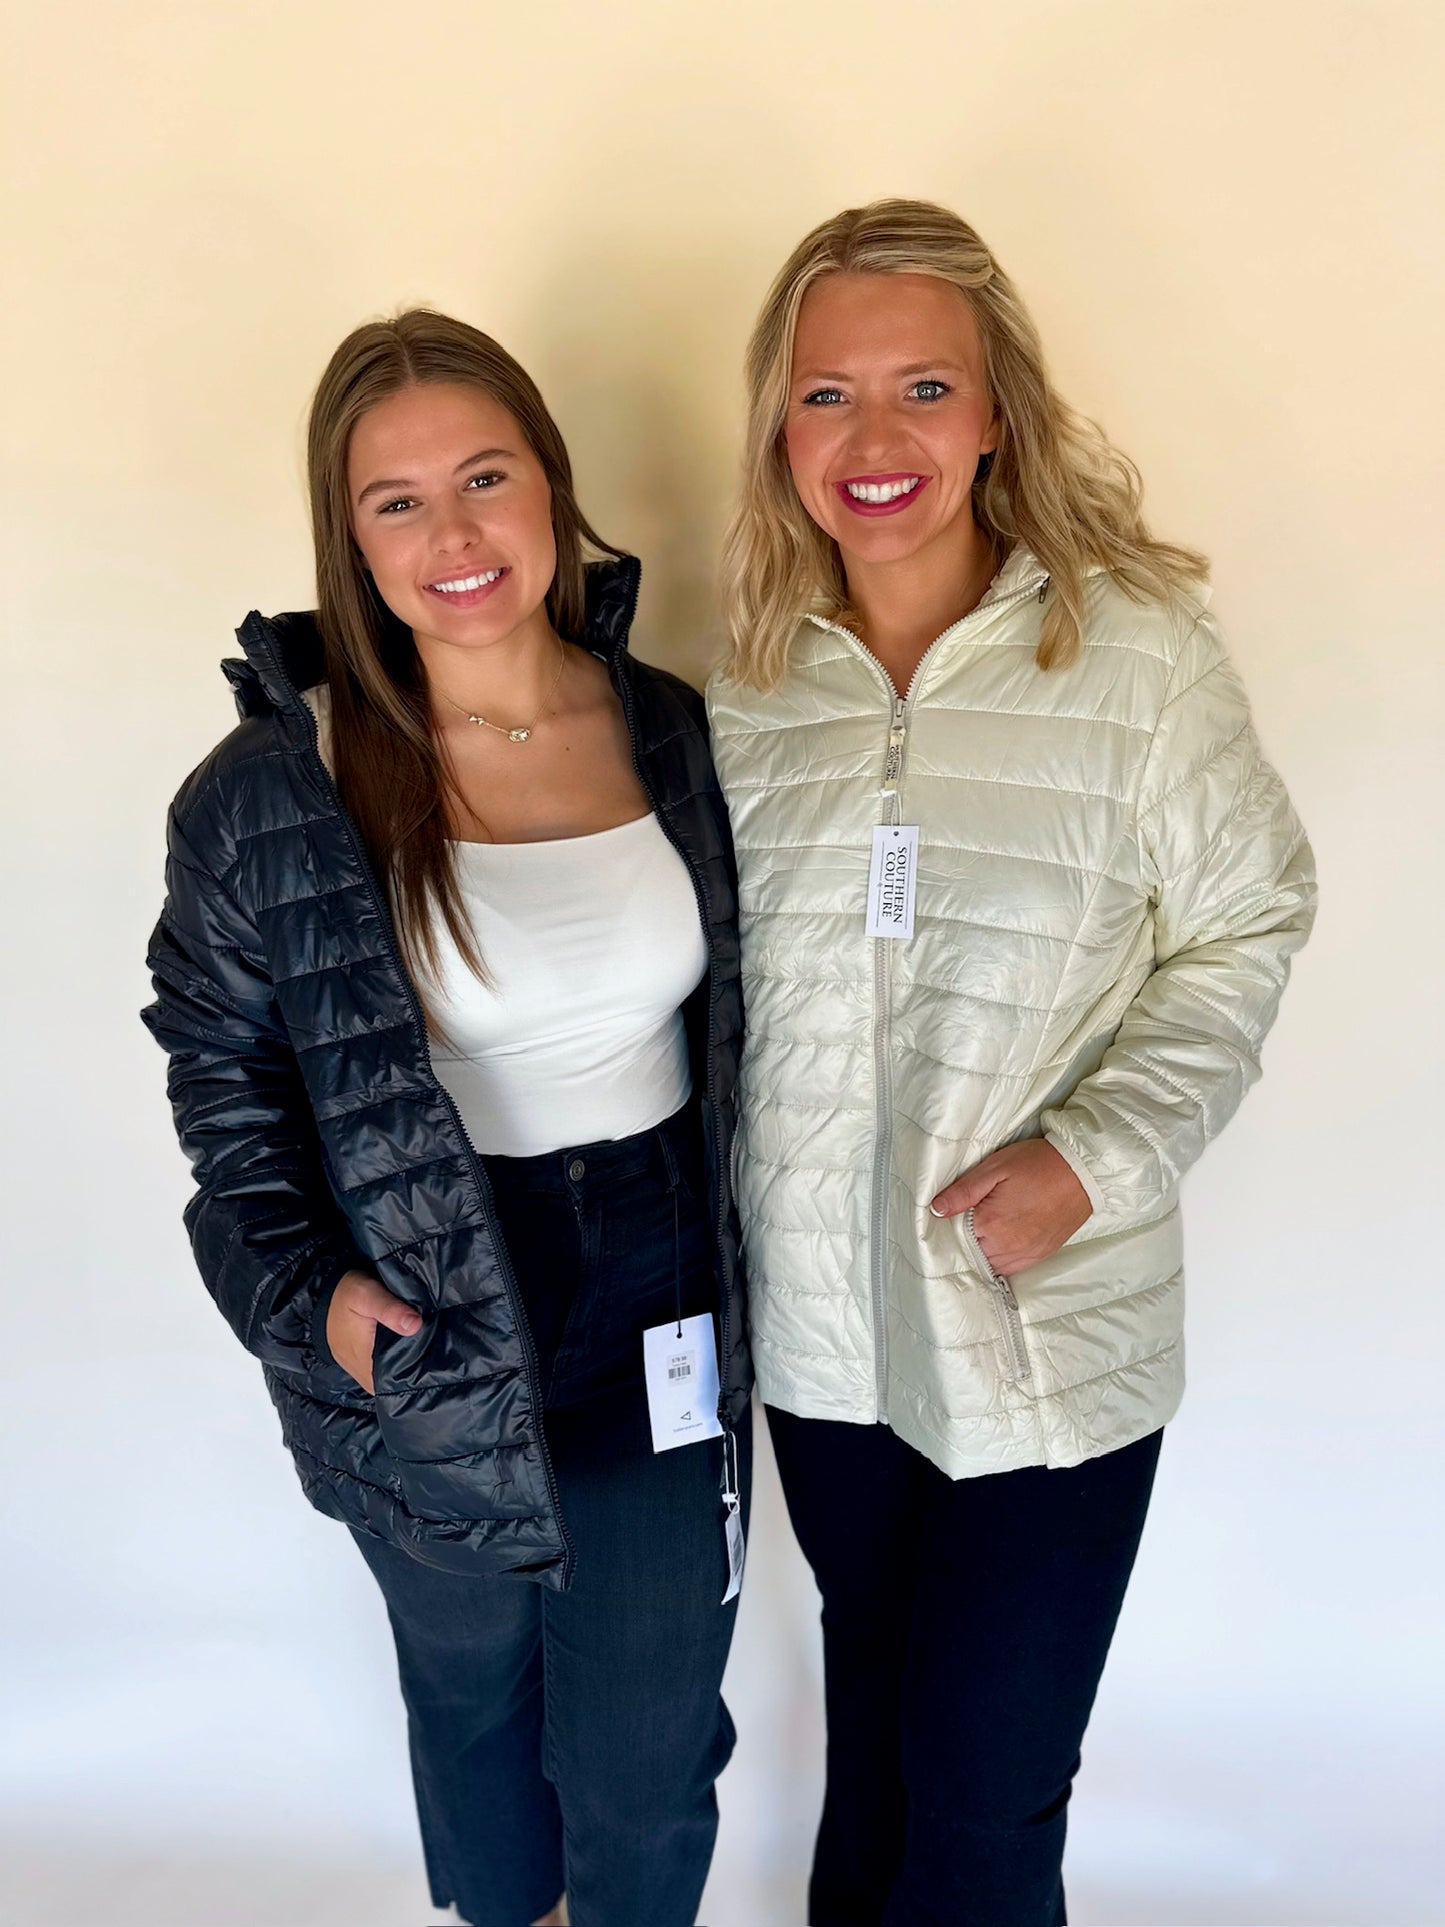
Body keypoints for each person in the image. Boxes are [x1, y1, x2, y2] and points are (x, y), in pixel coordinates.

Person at [707, 198, 1316, 1927]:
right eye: (826, 394)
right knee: (877, 1772)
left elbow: (1248, 922)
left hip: (1045, 1338)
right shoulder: (746, 692)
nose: (874, 439)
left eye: (923, 388)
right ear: (778, 428)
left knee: (982, 1804)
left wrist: (1093, 1157)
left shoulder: (1134, 656)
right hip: (827, 1349)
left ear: (995, 415)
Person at [142, 308, 751, 1927]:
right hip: (428, 1297)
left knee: (649, 1737)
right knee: (476, 1703)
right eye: (396, 502)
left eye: (484, 478)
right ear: (349, 543)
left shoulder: (675, 729)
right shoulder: (279, 788)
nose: (454, 536)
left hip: (661, 1281)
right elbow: (219, 1075)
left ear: (549, 482)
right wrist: (311, 1297)